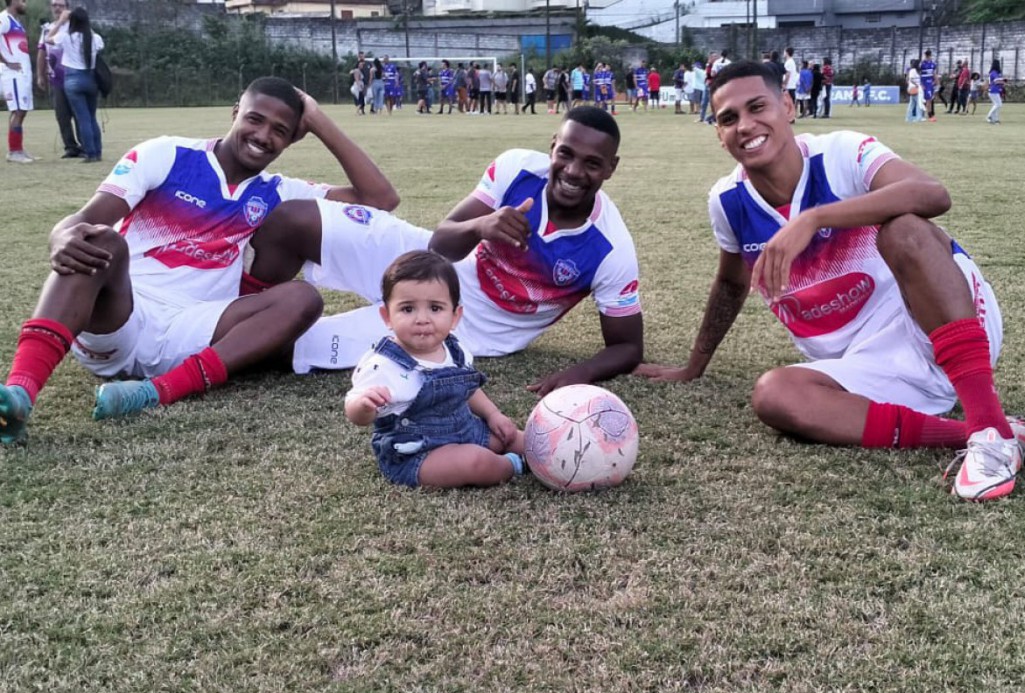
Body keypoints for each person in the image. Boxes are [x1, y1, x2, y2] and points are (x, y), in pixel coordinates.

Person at [636, 61, 1025, 502]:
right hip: (867, 365)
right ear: (718, 134)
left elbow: (932, 193)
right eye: (728, 119)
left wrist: (814, 218)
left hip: (938, 321)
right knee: (774, 395)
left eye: (757, 107)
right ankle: (988, 432)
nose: (745, 125)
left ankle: (987, 429)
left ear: (787, 106)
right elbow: (730, 284)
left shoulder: (840, 153)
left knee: (905, 229)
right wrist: (694, 365)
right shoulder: (727, 201)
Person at [0, 77, 399, 444]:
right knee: (100, 241)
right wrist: (60, 235)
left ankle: (153, 392)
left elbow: (379, 201)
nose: (263, 136)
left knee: (303, 299)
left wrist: (317, 119)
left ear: (293, 139)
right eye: (254, 120)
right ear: (234, 113)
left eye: (280, 130)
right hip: (121, 313)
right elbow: (84, 220)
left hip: (195, 329)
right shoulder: (166, 154)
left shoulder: (279, 191)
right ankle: (19, 393)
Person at [251, 108, 644, 398]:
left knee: (281, 346)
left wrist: (582, 372)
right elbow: (442, 243)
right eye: (566, 154)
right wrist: (482, 226)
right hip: (435, 262)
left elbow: (627, 346)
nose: (574, 171)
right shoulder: (518, 169)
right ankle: (220, 312)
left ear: (611, 168)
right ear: (553, 148)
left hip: (470, 326)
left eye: (592, 164)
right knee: (296, 220)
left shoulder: (611, 247)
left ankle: (219, 344)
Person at [344, 252, 525, 489]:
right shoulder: (383, 364)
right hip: (417, 453)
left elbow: (466, 389)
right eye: (408, 309)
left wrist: (493, 415)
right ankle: (514, 466)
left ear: (454, 316)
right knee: (474, 461)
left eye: (435, 308)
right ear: (387, 316)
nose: (422, 319)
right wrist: (363, 406)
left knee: (514, 437)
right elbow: (354, 410)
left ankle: (555, 457)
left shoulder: (455, 350)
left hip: (465, 431)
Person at [47, 6, 102, 162]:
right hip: (90, 78)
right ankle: (97, 151)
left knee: (82, 118)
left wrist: (60, 22)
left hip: (73, 78)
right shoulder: (94, 38)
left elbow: (48, 39)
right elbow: (99, 46)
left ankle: (90, 153)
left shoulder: (66, 36)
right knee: (91, 118)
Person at [36, 0, 81, 159]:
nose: (57, 8)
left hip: (75, 77)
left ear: (67, 8)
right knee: (62, 115)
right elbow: (42, 52)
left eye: (60, 5)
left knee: (79, 113)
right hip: (56, 79)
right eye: (54, 5)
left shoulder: (75, 27)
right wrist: (40, 75)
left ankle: (85, 145)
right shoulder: (47, 29)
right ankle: (70, 147)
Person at [1, 0, 35, 163]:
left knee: (21, 110)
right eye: (22, 0)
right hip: (12, 73)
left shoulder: (16, 22)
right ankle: (14, 151)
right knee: (18, 110)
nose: (25, 3)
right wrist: (6, 61)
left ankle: (17, 148)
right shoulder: (4, 19)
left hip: (22, 73)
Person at [919, 49, 937, 121]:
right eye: (926, 55)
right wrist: (921, 84)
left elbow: (934, 73)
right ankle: (929, 115)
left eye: (928, 55)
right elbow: (919, 74)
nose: (927, 56)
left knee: (929, 99)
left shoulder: (933, 64)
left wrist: (935, 81)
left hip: (930, 84)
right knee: (927, 100)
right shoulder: (922, 64)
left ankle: (928, 114)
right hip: (925, 83)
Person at [905, 58, 924, 123]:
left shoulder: (916, 70)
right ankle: (918, 118)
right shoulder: (913, 70)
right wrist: (917, 85)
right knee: (918, 104)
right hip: (914, 88)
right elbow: (911, 79)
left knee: (912, 104)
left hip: (916, 88)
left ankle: (909, 118)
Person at [986, 59, 1005, 124]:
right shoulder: (994, 72)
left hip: (995, 90)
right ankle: (989, 116)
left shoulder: (996, 72)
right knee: (998, 104)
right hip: (993, 91)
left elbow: (1000, 81)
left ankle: (995, 119)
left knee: (996, 105)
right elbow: (997, 80)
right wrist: (1003, 81)